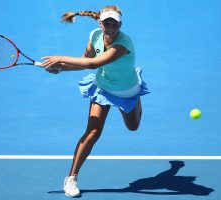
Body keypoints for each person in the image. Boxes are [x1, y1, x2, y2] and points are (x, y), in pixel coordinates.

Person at [41, 5, 149, 198]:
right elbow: (85, 60)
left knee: (133, 127)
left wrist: (60, 58)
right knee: (92, 132)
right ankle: (71, 177)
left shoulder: (124, 43)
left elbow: (93, 63)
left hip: (127, 91)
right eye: (107, 22)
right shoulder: (95, 36)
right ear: (100, 23)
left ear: (120, 24)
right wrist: (61, 68)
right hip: (103, 87)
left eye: (114, 22)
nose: (110, 25)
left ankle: (138, 93)